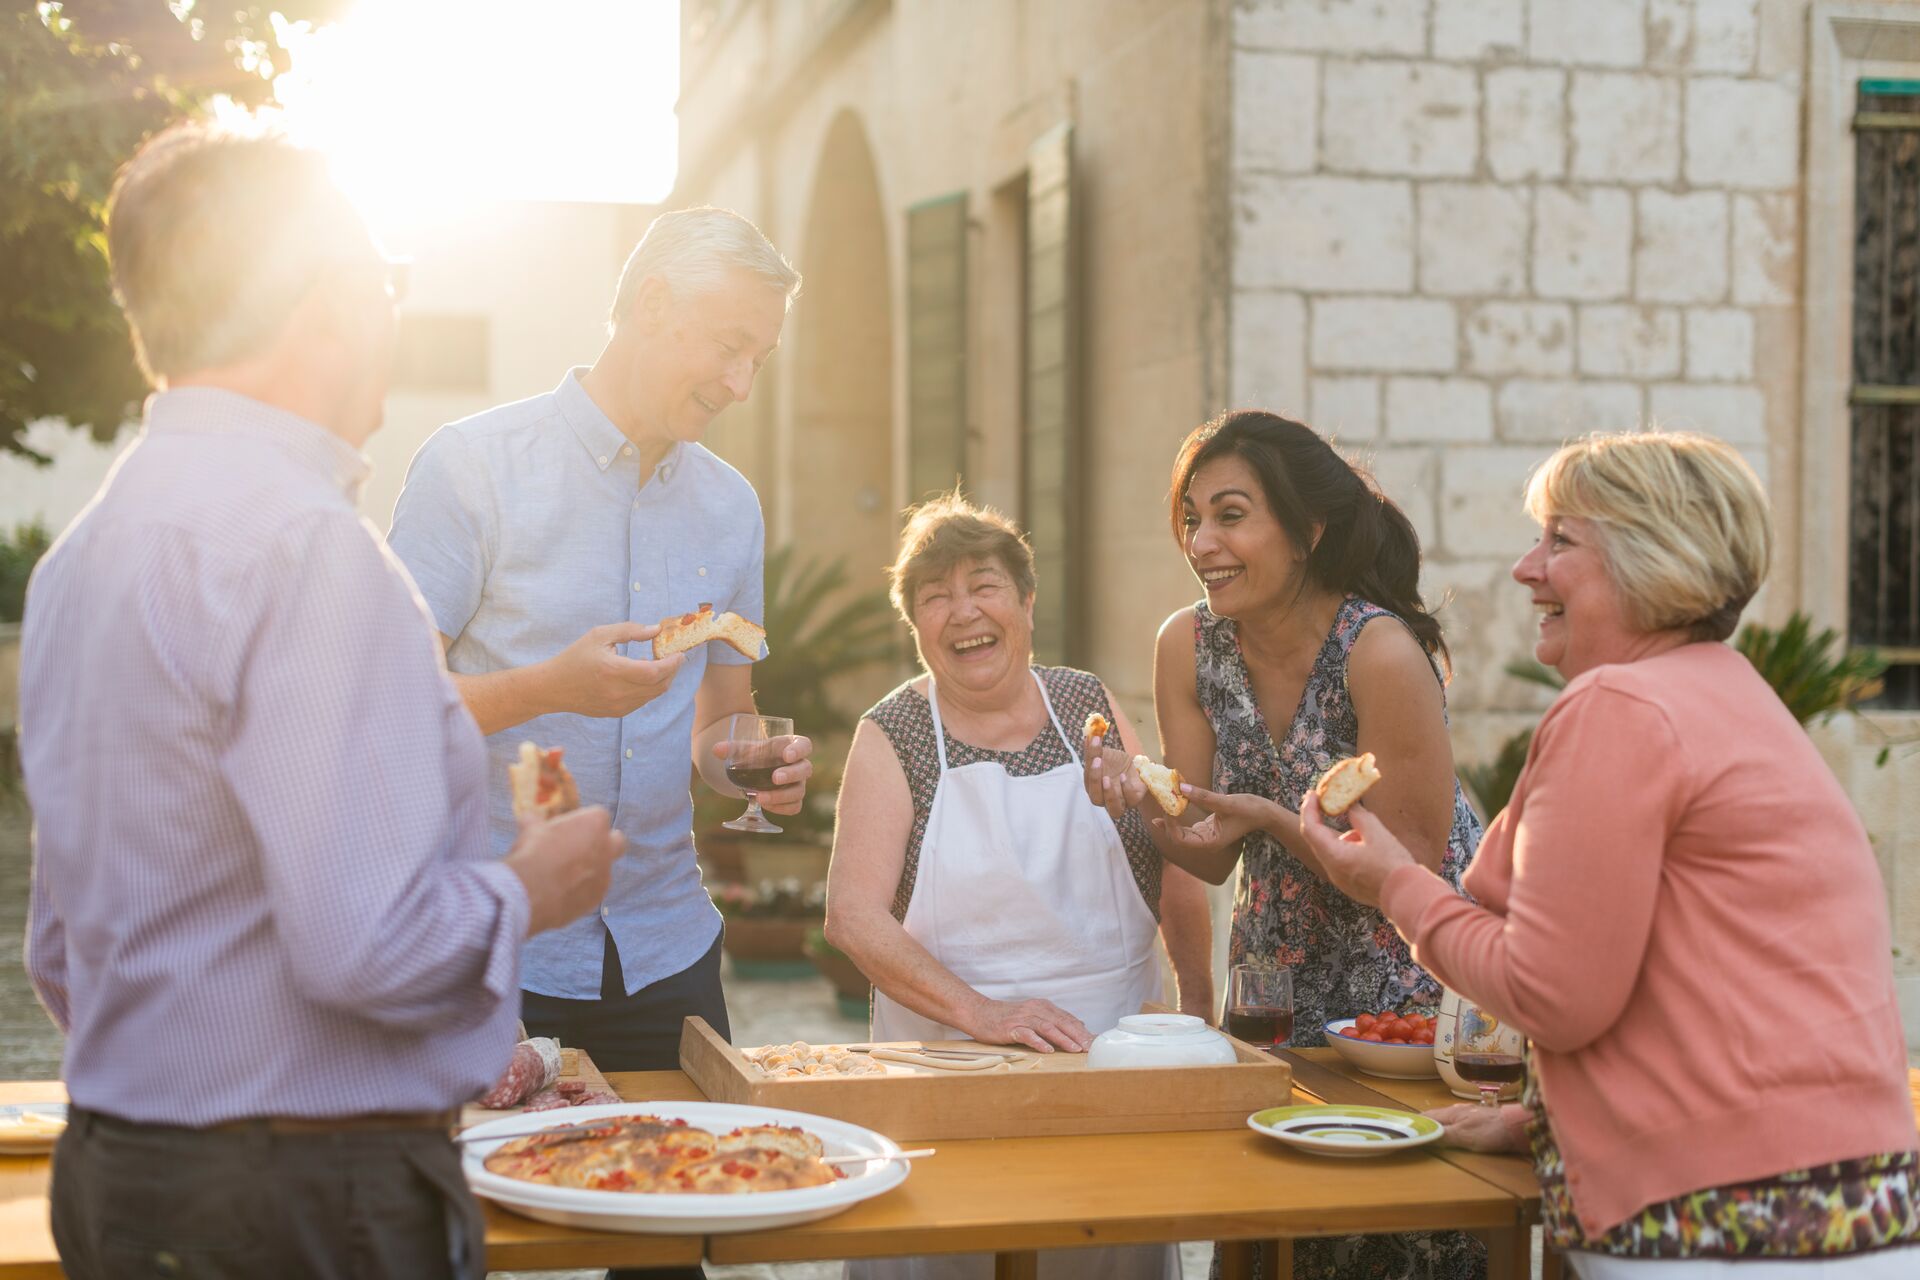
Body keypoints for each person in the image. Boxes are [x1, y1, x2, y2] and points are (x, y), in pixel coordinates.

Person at [20, 118, 623, 1280]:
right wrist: (529, 889)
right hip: (301, 1197)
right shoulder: (308, 551)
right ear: (332, 301)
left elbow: (60, 946)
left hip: (120, 1170)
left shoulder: (81, 560)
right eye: (387, 278)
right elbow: (366, 949)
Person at [1300, 431, 1920, 1279]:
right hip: (1838, 1210)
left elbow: (1552, 995)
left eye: (1561, 540)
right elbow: (1710, 983)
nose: (1526, 568)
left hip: (1720, 1220)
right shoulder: (1730, 695)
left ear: (1651, 559)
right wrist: (1543, 1119)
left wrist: (1394, 885)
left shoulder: (1620, 705)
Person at [388, 207, 814, 1079]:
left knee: (693, 1192)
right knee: (497, 1209)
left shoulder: (733, 508)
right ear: (652, 303)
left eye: (758, 362)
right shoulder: (470, 468)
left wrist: (752, 764)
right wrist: (551, 686)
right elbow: (387, 707)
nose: (740, 384)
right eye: (730, 347)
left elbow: (721, 722)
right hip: (497, 946)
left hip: (670, 952)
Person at [1086, 409, 1485, 1280]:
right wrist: (1129, 796)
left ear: (1307, 531)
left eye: (1232, 514)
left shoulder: (1379, 651)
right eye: (1193, 517)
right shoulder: (1188, 644)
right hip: (1278, 971)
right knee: (1271, 1213)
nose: (1202, 541)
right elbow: (1203, 845)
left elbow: (1409, 865)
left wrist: (1269, 817)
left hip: (1407, 969)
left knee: (1395, 1219)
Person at [826, 494, 1212, 1280]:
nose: (962, 610)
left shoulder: (1087, 707)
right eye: (934, 596)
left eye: (984, 585)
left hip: (1108, 1083)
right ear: (917, 629)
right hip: (949, 1092)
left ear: (1028, 602)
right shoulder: (893, 733)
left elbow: (1172, 859)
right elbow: (853, 918)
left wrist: (1198, 1015)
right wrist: (984, 1014)